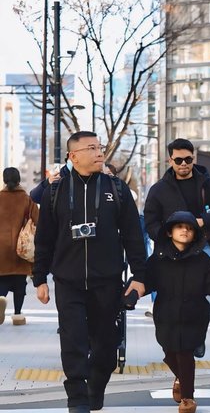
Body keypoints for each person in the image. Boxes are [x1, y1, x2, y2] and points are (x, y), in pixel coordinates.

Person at [33, 131, 147, 413]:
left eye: (100, 147)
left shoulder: (117, 189)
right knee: (72, 340)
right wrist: (39, 279)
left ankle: (96, 387)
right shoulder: (55, 192)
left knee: (107, 346)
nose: (99, 153)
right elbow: (44, 239)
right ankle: (77, 400)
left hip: (108, 282)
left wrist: (140, 277)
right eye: (91, 148)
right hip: (67, 281)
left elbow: (134, 236)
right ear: (74, 156)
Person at [146, 211, 210, 413]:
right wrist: (130, 292)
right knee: (169, 350)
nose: (185, 230)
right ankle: (181, 378)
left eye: (189, 228)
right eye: (180, 227)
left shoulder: (203, 261)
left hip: (194, 316)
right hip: (165, 316)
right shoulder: (158, 259)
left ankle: (187, 399)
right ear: (169, 232)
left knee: (185, 353)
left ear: (195, 235)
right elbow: (145, 281)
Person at [144, 138, 210, 262]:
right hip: (170, 250)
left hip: (204, 245)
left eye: (188, 159)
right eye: (178, 160)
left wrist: (203, 221)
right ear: (170, 161)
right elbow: (151, 222)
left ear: (193, 158)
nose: (183, 163)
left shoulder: (209, 184)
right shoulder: (158, 189)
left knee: (208, 281)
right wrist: (169, 237)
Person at [0, 167, 39, 326]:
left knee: (1, 280)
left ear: (4, 180)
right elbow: (38, 221)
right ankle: (17, 315)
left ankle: (1, 299)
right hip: (20, 248)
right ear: (18, 180)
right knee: (19, 283)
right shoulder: (26, 199)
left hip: (1, 249)